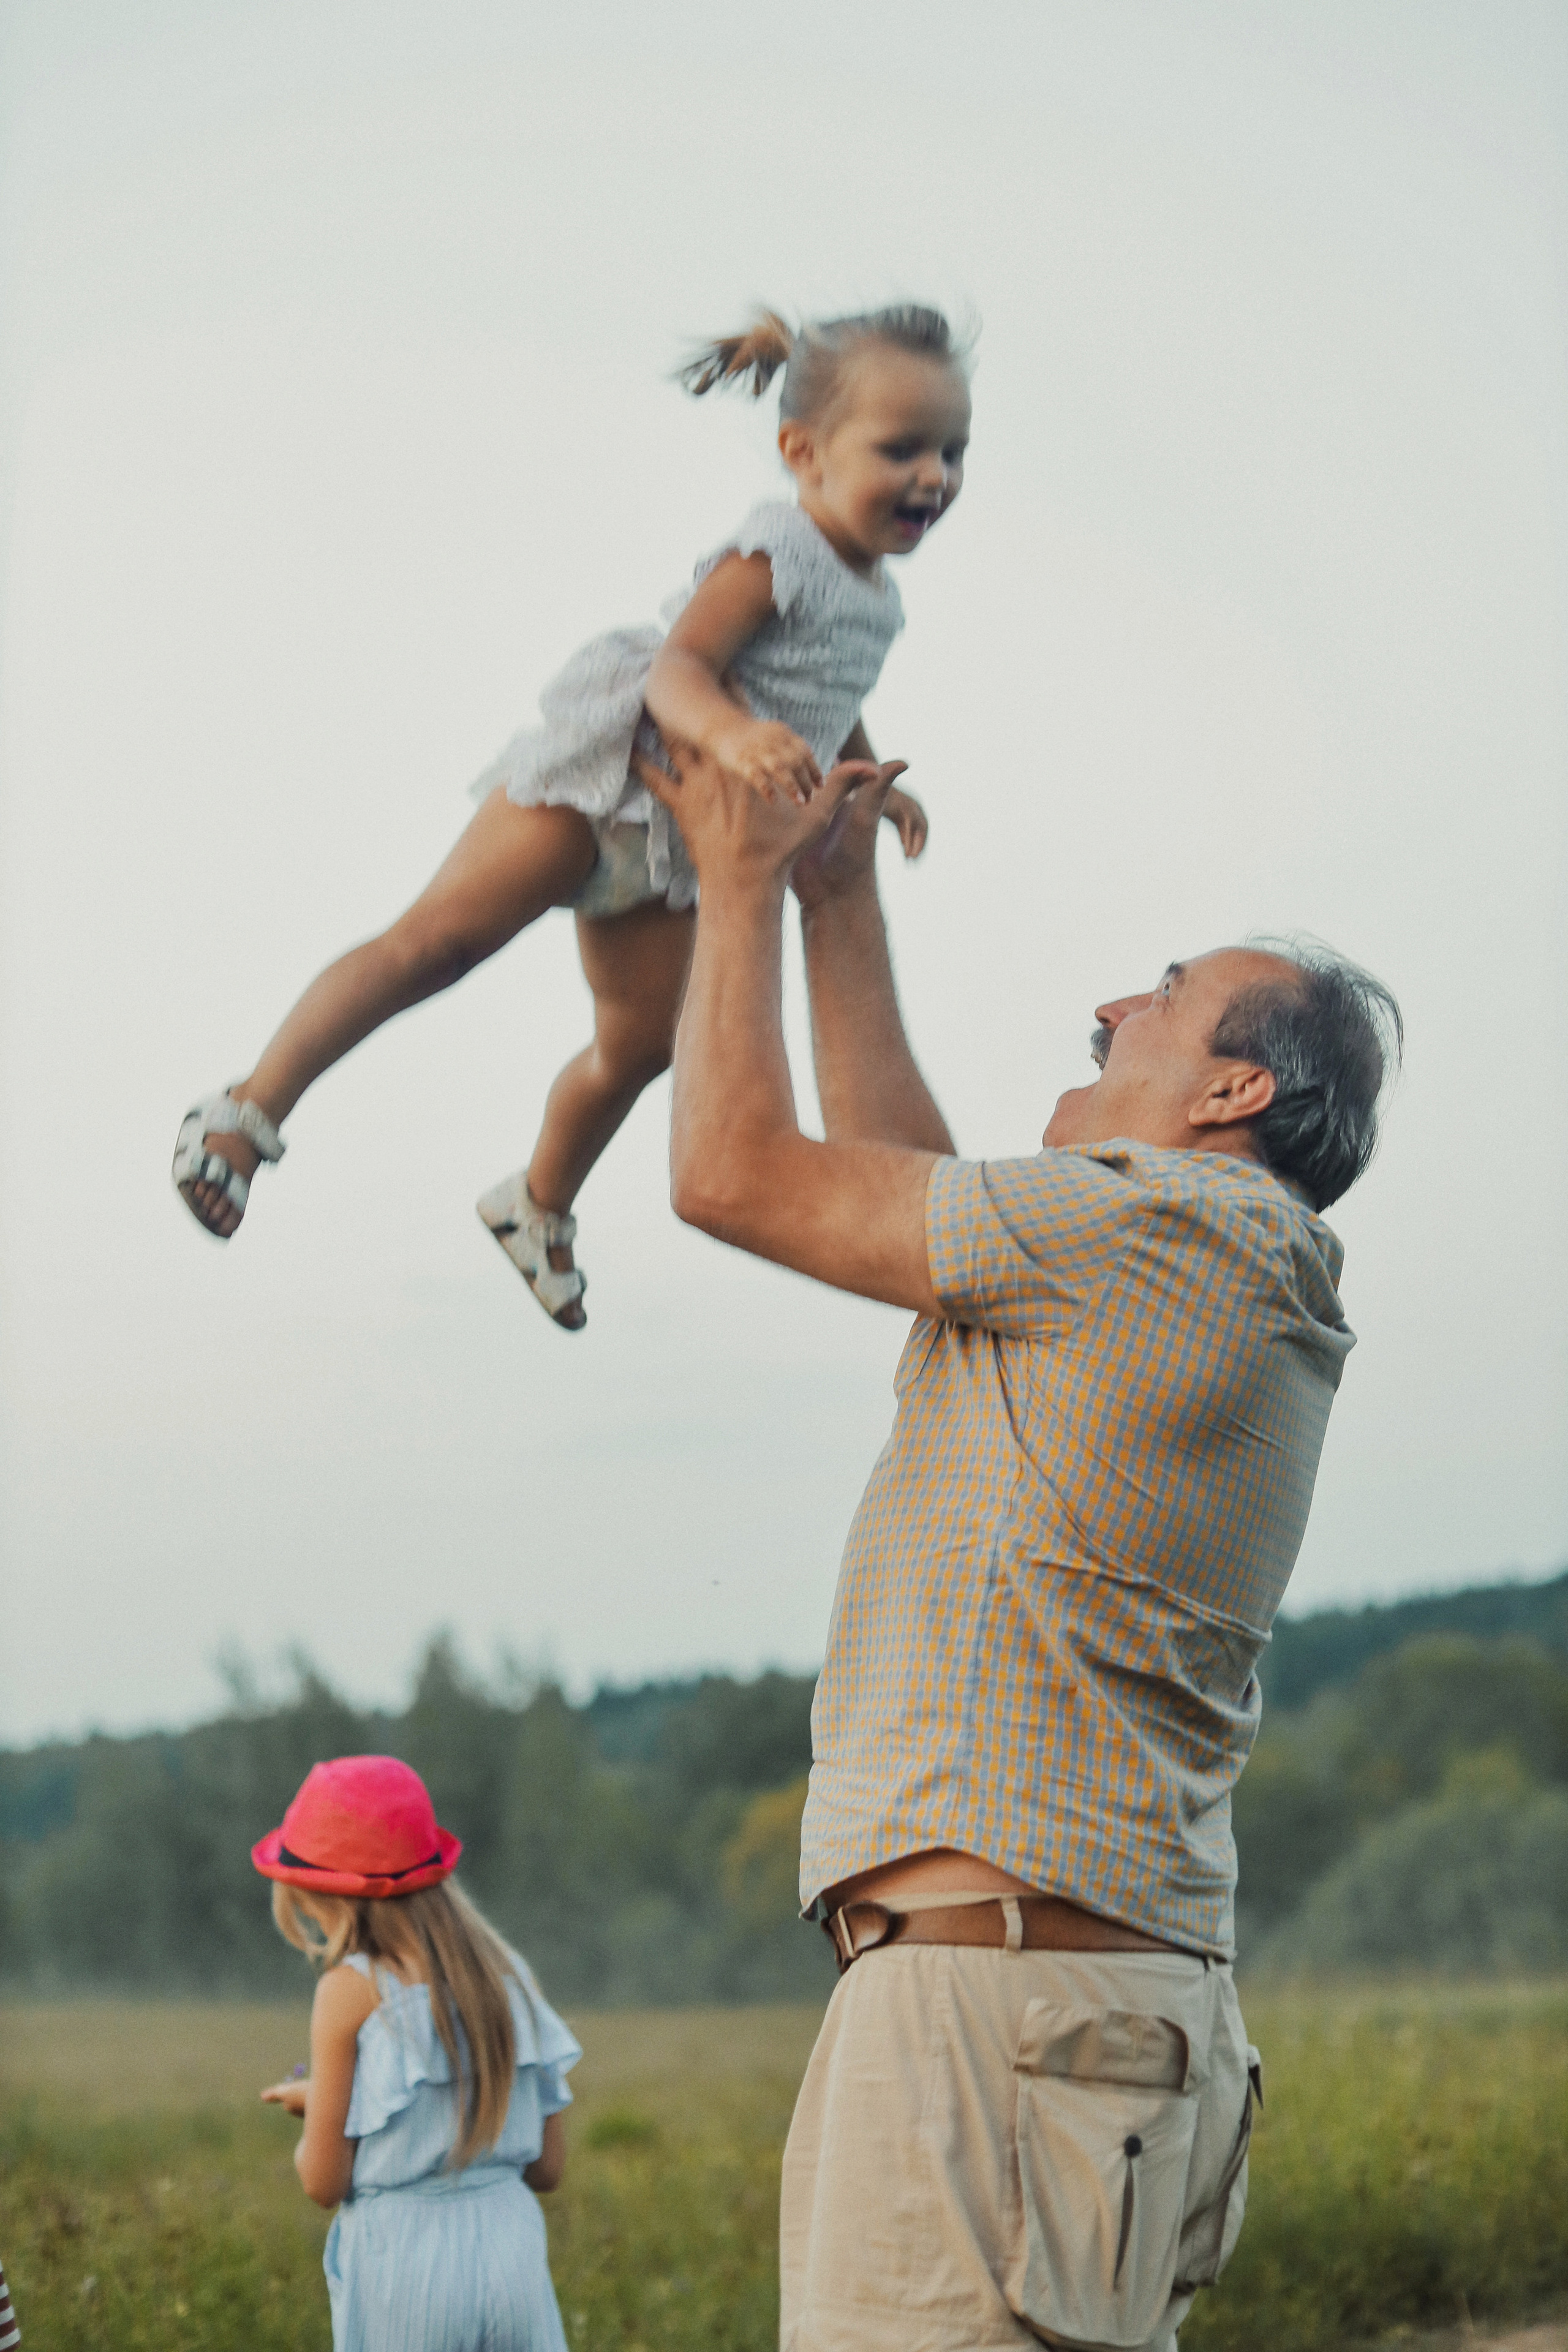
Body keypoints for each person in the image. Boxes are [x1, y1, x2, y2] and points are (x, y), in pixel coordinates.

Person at [636, 736, 1401, 2351]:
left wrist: (733, 873)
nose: (1115, 1006)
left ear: (1231, 1091)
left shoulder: (1156, 1229)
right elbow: (910, 1195)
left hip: (1001, 2019)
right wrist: (840, 902)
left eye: (1168, 998)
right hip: (1069, 2013)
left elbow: (730, 1174)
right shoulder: (1183, 1262)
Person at [172, 301, 973, 1329]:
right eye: (902, 450)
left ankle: (536, 1204)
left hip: (688, 847)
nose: (933, 477)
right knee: (437, 942)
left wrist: (866, 778)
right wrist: (731, 738)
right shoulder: (779, 547)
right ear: (803, 453)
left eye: (952, 452)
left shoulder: (878, 600)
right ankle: (247, 1111)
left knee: (643, 1045)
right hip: (613, 783)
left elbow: (826, 696)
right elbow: (682, 669)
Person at [254, 1754, 580, 2352]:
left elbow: (324, 2182)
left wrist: (316, 2118)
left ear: (319, 1896)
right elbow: (548, 2166)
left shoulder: (349, 1990)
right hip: (514, 2260)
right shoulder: (510, 1978)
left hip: (407, 2270)